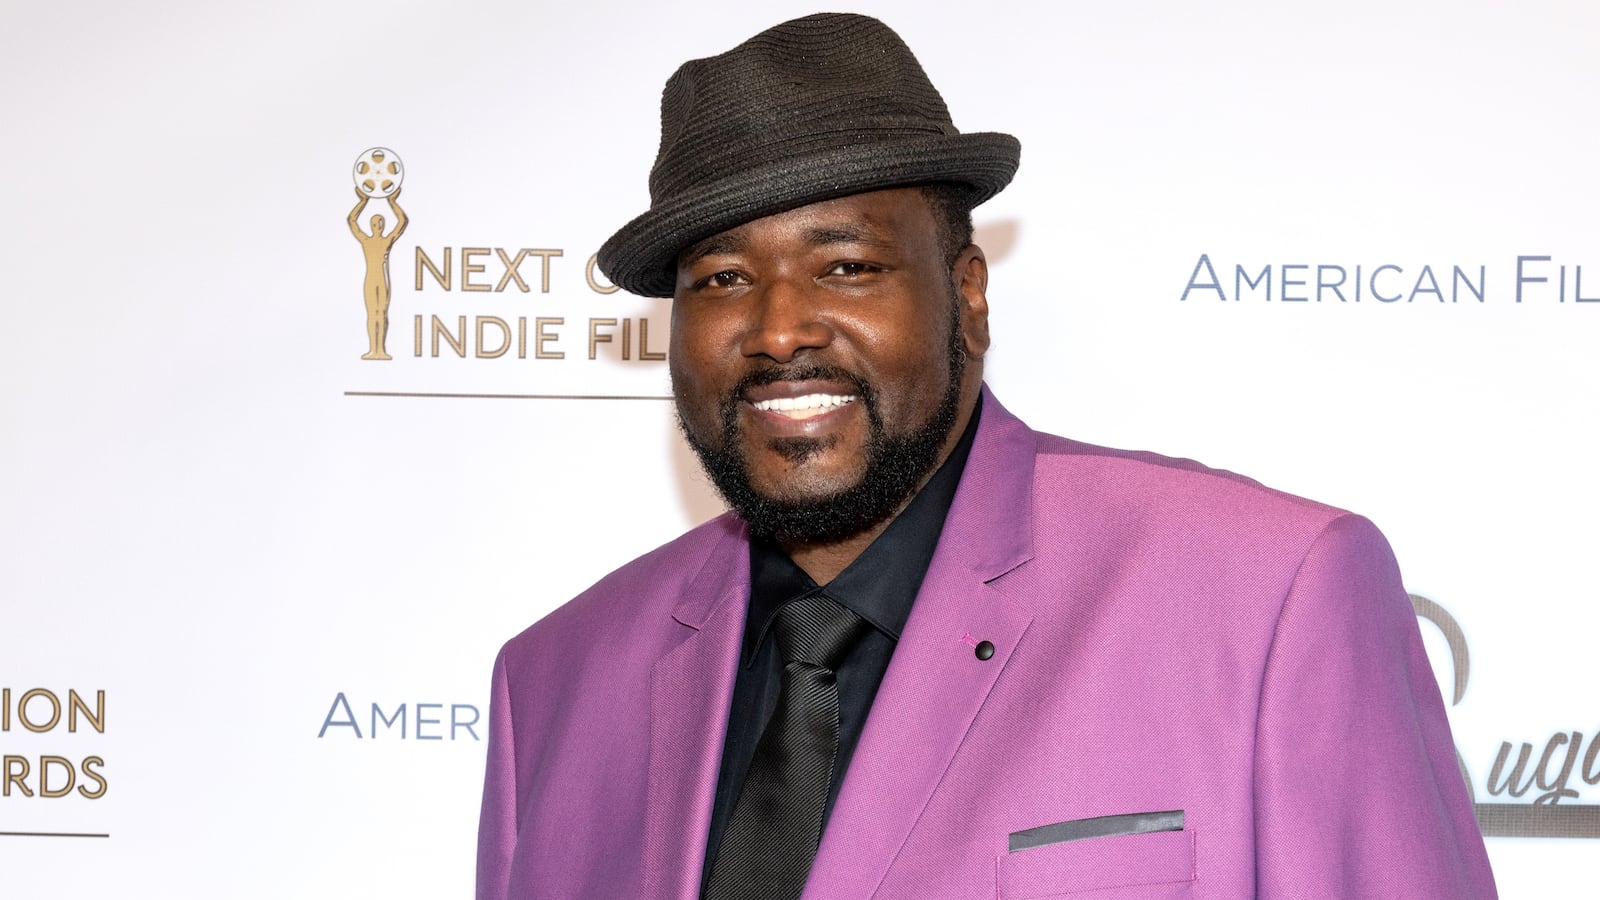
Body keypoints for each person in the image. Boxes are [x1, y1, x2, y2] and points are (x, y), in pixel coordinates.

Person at [476, 12, 1496, 899]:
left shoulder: (1269, 595)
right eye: (721, 280)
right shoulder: (557, 686)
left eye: (845, 264)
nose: (779, 327)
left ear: (966, 291)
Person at [347, 185, 407, 360]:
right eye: (375, 222)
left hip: (383, 280)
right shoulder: (365, 241)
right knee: (371, 313)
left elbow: (402, 221)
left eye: (381, 222)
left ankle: (381, 349)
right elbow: (352, 220)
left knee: (382, 313)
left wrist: (392, 201)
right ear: (371, 225)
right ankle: (373, 349)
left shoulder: (388, 240)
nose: (378, 225)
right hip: (370, 279)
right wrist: (363, 201)